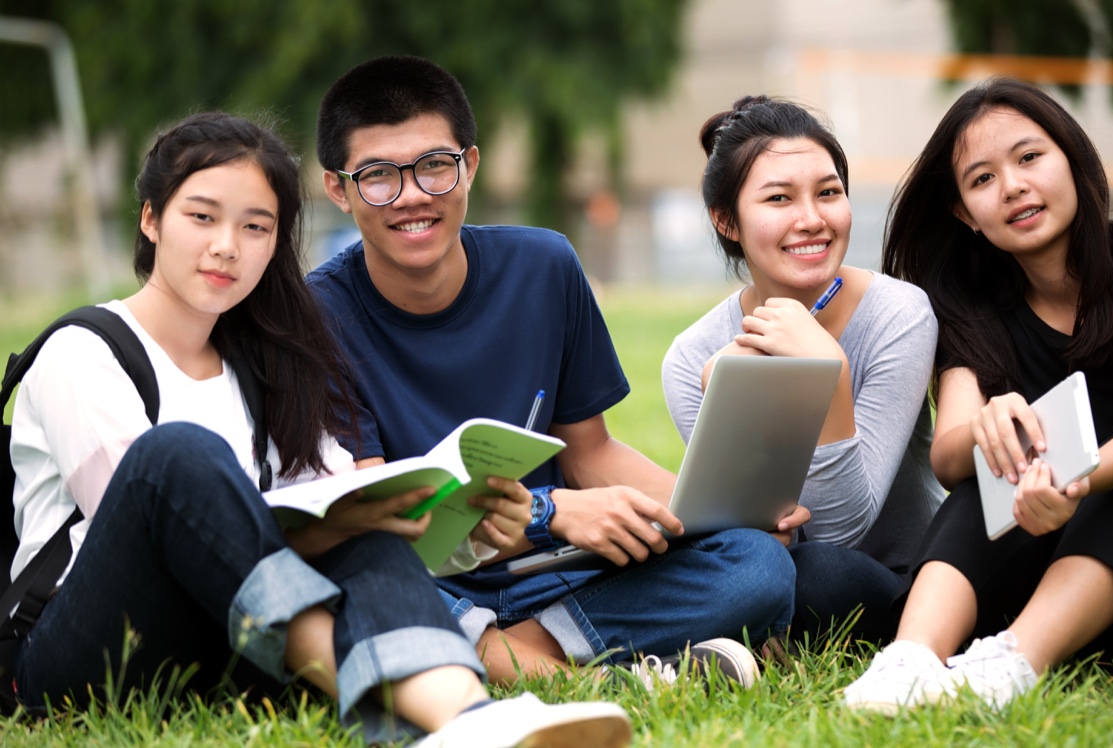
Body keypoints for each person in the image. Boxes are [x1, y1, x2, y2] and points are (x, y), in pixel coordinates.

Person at [8, 112, 631, 747]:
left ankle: (467, 717)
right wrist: (329, 527)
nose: (227, 245)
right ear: (150, 219)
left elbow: (333, 498)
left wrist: (438, 510)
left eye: (256, 227)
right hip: (85, 658)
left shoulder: (268, 368)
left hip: (228, 652)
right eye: (202, 217)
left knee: (364, 525)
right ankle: (400, 703)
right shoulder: (83, 351)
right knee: (175, 457)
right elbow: (162, 534)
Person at [307, 55, 796, 687]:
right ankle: (593, 673)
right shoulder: (317, 316)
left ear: (470, 165)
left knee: (757, 564)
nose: (413, 198)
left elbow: (589, 450)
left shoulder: (543, 265)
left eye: (434, 166)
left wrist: (718, 511)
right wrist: (548, 512)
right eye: (378, 176)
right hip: (423, 582)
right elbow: (380, 515)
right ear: (338, 188)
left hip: (552, 576)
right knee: (351, 579)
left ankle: (509, 657)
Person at [844, 77, 1113, 713]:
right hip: (1042, 570)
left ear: (1072, 156)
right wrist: (985, 425)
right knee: (989, 473)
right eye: (981, 180)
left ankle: (1012, 666)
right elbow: (949, 455)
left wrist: (1075, 481)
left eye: (1030, 157)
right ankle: (909, 660)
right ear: (963, 213)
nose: (1012, 186)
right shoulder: (973, 309)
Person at [661, 96, 945, 644]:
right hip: (769, 573)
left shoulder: (899, 315)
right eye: (779, 198)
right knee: (748, 573)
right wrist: (737, 409)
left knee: (818, 575)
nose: (812, 219)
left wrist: (827, 370)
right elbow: (739, 532)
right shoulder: (696, 359)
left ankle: (751, 639)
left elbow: (840, 532)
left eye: (829, 192)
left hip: (897, 582)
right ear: (727, 220)